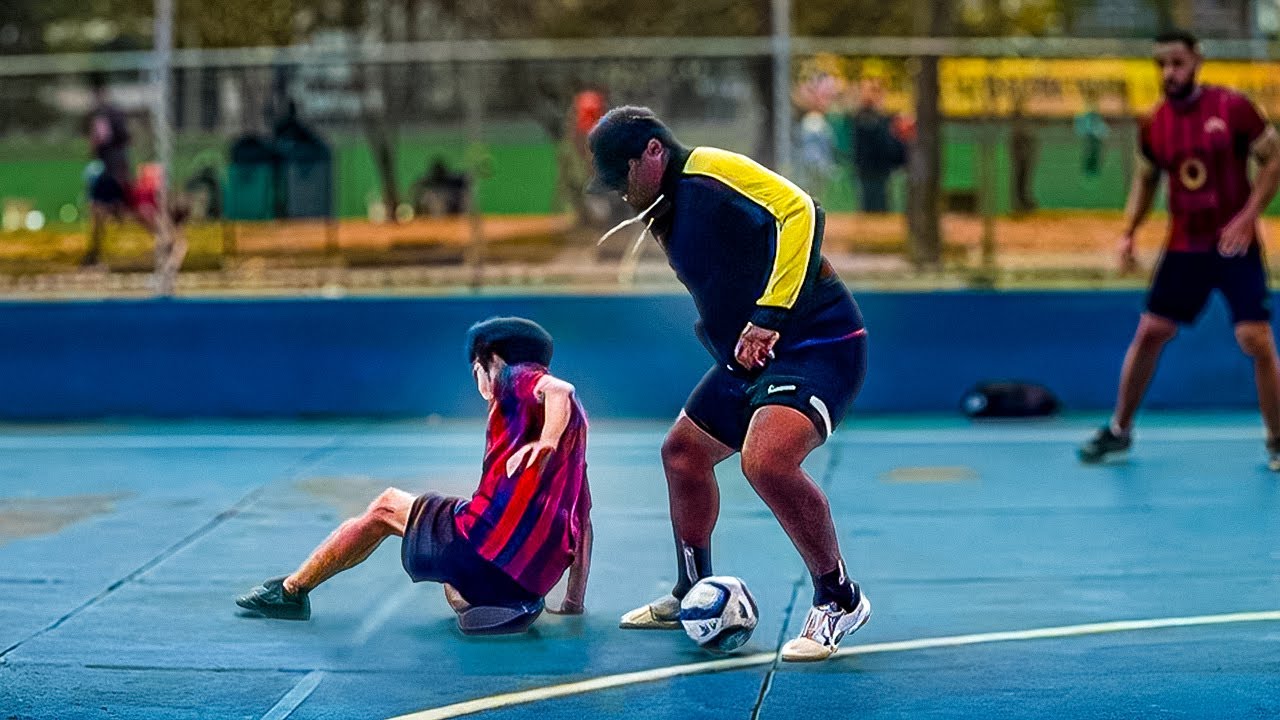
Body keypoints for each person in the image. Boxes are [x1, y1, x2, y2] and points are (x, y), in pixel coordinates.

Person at [587, 106, 871, 662]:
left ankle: (839, 598)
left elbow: (801, 210)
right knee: (683, 454)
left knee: (766, 461)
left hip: (819, 342)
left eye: (624, 174)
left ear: (654, 151)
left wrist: (769, 316)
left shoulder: (710, 171)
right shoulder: (661, 207)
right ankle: (691, 590)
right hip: (754, 356)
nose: (621, 191)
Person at [237, 317, 593, 632]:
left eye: (476, 370)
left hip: (486, 554)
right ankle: (486, 600)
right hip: (524, 585)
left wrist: (546, 441)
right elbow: (583, 523)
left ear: (489, 363)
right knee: (450, 546)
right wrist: (572, 601)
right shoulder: (575, 441)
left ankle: (290, 592)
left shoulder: (514, 375)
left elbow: (560, 389)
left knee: (385, 506)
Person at [1078, 30, 1280, 469]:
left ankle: (1277, 439)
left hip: (1233, 245)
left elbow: (1274, 159)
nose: (1169, 73)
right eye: (1162, 65)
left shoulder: (1232, 108)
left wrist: (1248, 216)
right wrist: (1129, 231)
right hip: (1186, 246)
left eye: (1177, 63)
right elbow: (1146, 179)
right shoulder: (1155, 124)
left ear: (1196, 62)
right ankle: (1119, 430)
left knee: (1255, 338)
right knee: (1151, 331)